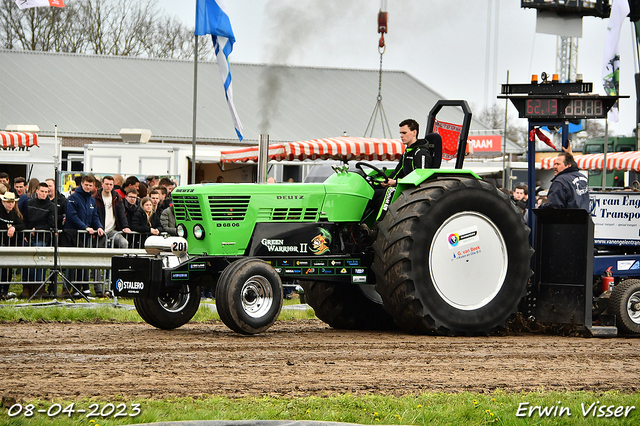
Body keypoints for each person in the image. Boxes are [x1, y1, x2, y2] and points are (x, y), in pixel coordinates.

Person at [65, 174, 105, 297]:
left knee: (86, 261)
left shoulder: (91, 200)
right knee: (75, 263)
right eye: (86, 184)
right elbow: (72, 216)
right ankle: (75, 288)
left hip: (86, 236)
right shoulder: (73, 198)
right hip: (74, 234)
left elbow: (94, 216)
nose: (88, 187)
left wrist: (99, 226)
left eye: (90, 185)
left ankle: (85, 287)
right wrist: (85, 227)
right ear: (81, 184)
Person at [25, 182, 56, 297]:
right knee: (28, 263)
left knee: (40, 263)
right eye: (42, 191)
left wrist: (36, 229)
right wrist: (27, 232)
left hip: (42, 237)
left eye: (46, 192)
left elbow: (51, 224)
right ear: (37, 191)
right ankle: (27, 287)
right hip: (28, 236)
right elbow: (25, 219)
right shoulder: (30, 203)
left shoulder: (51, 206)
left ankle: (39, 288)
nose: (44, 194)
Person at [94, 175, 130, 249]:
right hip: (99, 229)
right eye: (107, 184)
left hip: (112, 230)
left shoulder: (117, 197)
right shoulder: (95, 197)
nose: (108, 186)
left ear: (113, 185)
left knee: (124, 243)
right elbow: (93, 215)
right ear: (102, 184)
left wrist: (125, 226)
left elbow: (121, 213)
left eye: (111, 184)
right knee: (99, 249)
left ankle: (122, 260)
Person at [0, 192, 25, 299]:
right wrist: (7, 228)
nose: (10, 205)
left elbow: (22, 224)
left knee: (8, 269)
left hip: (8, 245)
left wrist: (13, 227)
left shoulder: (13, 213)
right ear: (3, 202)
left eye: (12, 202)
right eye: (8, 202)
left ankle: (5, 291)